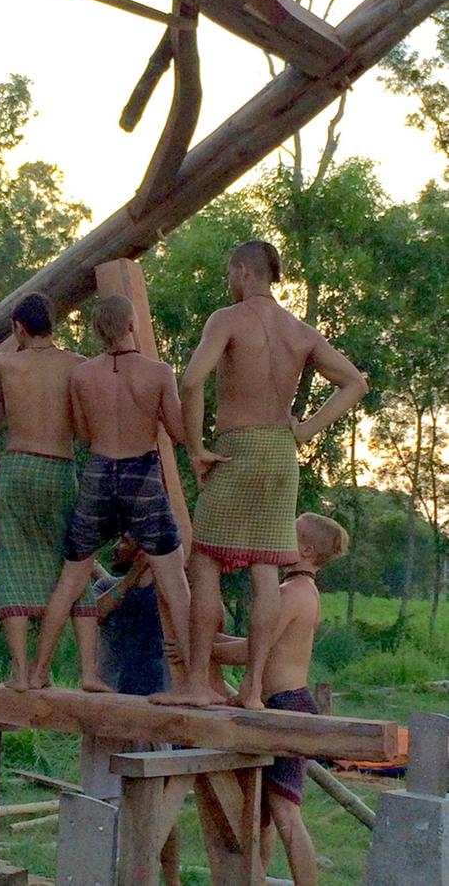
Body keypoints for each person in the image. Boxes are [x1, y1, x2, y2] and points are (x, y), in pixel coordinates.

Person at [153, 240, 367, 710]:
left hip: (236, 447)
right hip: (280, 452)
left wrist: (195, 449)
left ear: (242, 272)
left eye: (230, 274)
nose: (229, 283)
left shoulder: (227, 319)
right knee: (265, 569)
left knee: (206, 560)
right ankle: (251, 690)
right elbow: (355, 383)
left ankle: (196, 685)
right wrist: (306, 429)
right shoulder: (301, 331)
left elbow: (190, 382)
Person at [28, 294, 191, 690]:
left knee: (71, 577)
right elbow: (179, 433)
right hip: (142, 474)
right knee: (173, 578)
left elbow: (83, 434)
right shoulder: (158, 372)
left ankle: (36, 673)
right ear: (131, 325)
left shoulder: (82, 375)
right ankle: (194, 680)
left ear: (98, 330)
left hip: (99, 470)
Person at [213, 512, 349, 886]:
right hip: (280, 700)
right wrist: (208, 644)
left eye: (287, 534)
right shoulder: (302, 591)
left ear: (304, 550)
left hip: (287, 704)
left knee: (286, 814)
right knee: (263, 813)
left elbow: (251, 650)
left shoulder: (290, 595)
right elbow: (250, 646)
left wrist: (202, 649)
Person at [0, 292, 104, 692]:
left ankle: (21, 673)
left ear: (19, 327)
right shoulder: (77, 366)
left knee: (15, 566)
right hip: (59, 468)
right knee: (76, 568)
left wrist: (16, 332)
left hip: (18, 464)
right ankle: (88, 673)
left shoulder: (6, 363)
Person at [80, 535, 180, 886]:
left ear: (141, 549)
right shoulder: (109, 585)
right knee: (101, 801)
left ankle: (169, 879)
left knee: (161, 809)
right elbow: (98, 614)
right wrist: (133, 576)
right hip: (110, 706)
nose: (115, 547)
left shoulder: (168, 592)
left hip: (155, 707)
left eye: (123, 541)